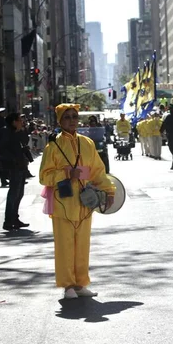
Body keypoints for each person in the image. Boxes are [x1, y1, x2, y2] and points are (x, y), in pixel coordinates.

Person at [39, 103, 116, 299]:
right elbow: (43, 177)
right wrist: (65, 173)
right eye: (67, 117)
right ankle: (68, 286)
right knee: (65, 245)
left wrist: (109, 190)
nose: (72, 120)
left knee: (82, 244)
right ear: (60, 120)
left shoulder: (87, 143)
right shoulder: (53, 146)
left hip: (85, 201)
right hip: (63, 203)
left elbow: (98, 171)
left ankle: (81, 283)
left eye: (74, 116)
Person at [0, 113, 30, 230]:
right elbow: (0, 148)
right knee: (13, 193)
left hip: (20, 165)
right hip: (13, 166)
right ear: (13, 122)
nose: (22, 122)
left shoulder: (17, 132)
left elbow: (24, 141)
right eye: (19, 120)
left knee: (19, 193)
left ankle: (15, 218)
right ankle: (8, 220)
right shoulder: (6, 132)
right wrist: (13, 159)